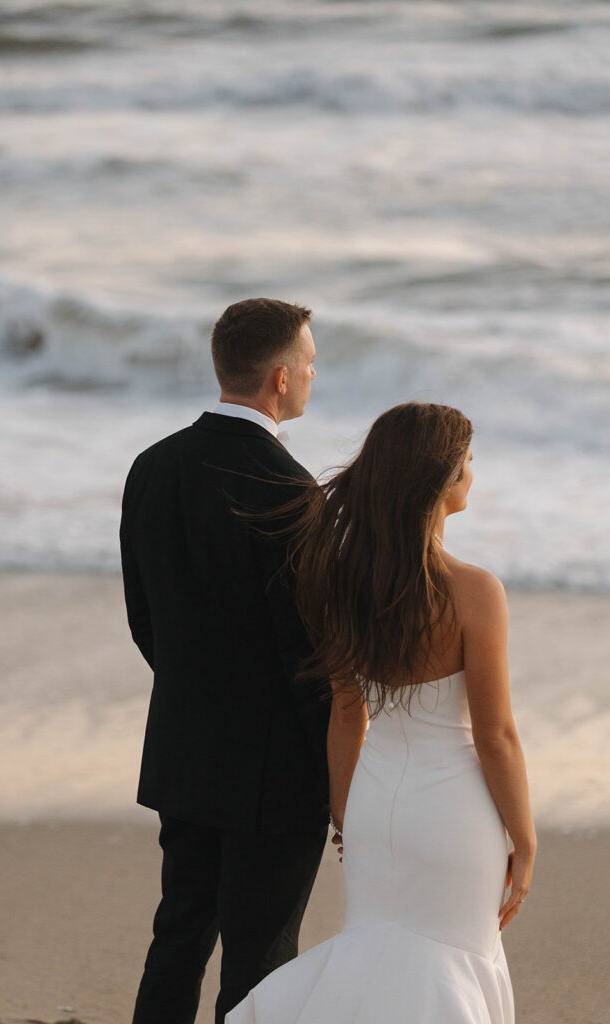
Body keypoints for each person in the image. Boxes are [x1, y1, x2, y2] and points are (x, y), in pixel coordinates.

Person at [228, 402, 536, 1024]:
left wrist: (348, 818)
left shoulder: (341, 580)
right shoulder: (475, 591)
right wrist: (525, 840)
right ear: (439, 479)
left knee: (376, 960)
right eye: (467, 462)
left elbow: (348, 715)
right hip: (452, 812)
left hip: (372, 804)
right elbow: (496, 736)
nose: (472, 474)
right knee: (451, 965)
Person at [120, 297, 330, 1024]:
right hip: (274, 774)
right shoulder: (288, 488)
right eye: (306, 362)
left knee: (177, 936)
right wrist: (339, 771)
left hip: (182, 747)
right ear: (278, 378)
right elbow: (306, 657)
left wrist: (197, 693)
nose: (311, 373)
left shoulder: (152, 466)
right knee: (260, 959)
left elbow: (143, 620)